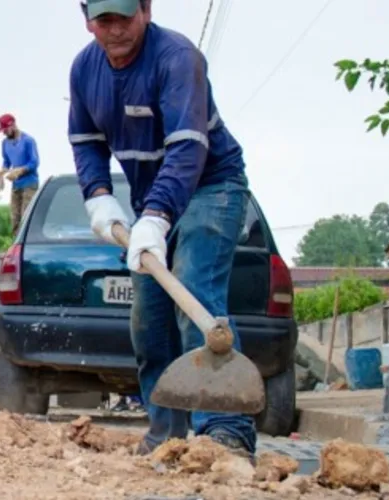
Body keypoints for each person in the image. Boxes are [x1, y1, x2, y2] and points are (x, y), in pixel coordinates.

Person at [70, 0, 255, 460]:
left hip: (213, 186)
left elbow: (189, 148)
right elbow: (87, 141)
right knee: (149, 321)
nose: (115, 31)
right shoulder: (84, 68)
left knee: (194, 288)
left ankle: (224, 433)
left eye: (124, 17)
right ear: (87, 17)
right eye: (103, 20)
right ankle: (167, 438)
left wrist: (155, 217)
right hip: (152, 198)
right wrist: (97, 193)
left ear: (146, 9)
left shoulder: (177, 57)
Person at [0, 113, 41, 236]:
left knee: (26, 216)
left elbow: (34, 162)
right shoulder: (5, 143)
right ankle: (16, 244)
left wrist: (20, 170)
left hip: (29, 184)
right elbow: (7, 161)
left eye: (5, 130)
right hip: (16, 185)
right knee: (15, 218)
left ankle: (27, 243)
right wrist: (2, 172)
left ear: (13, 126)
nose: (4, 133)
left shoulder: (28, 141)